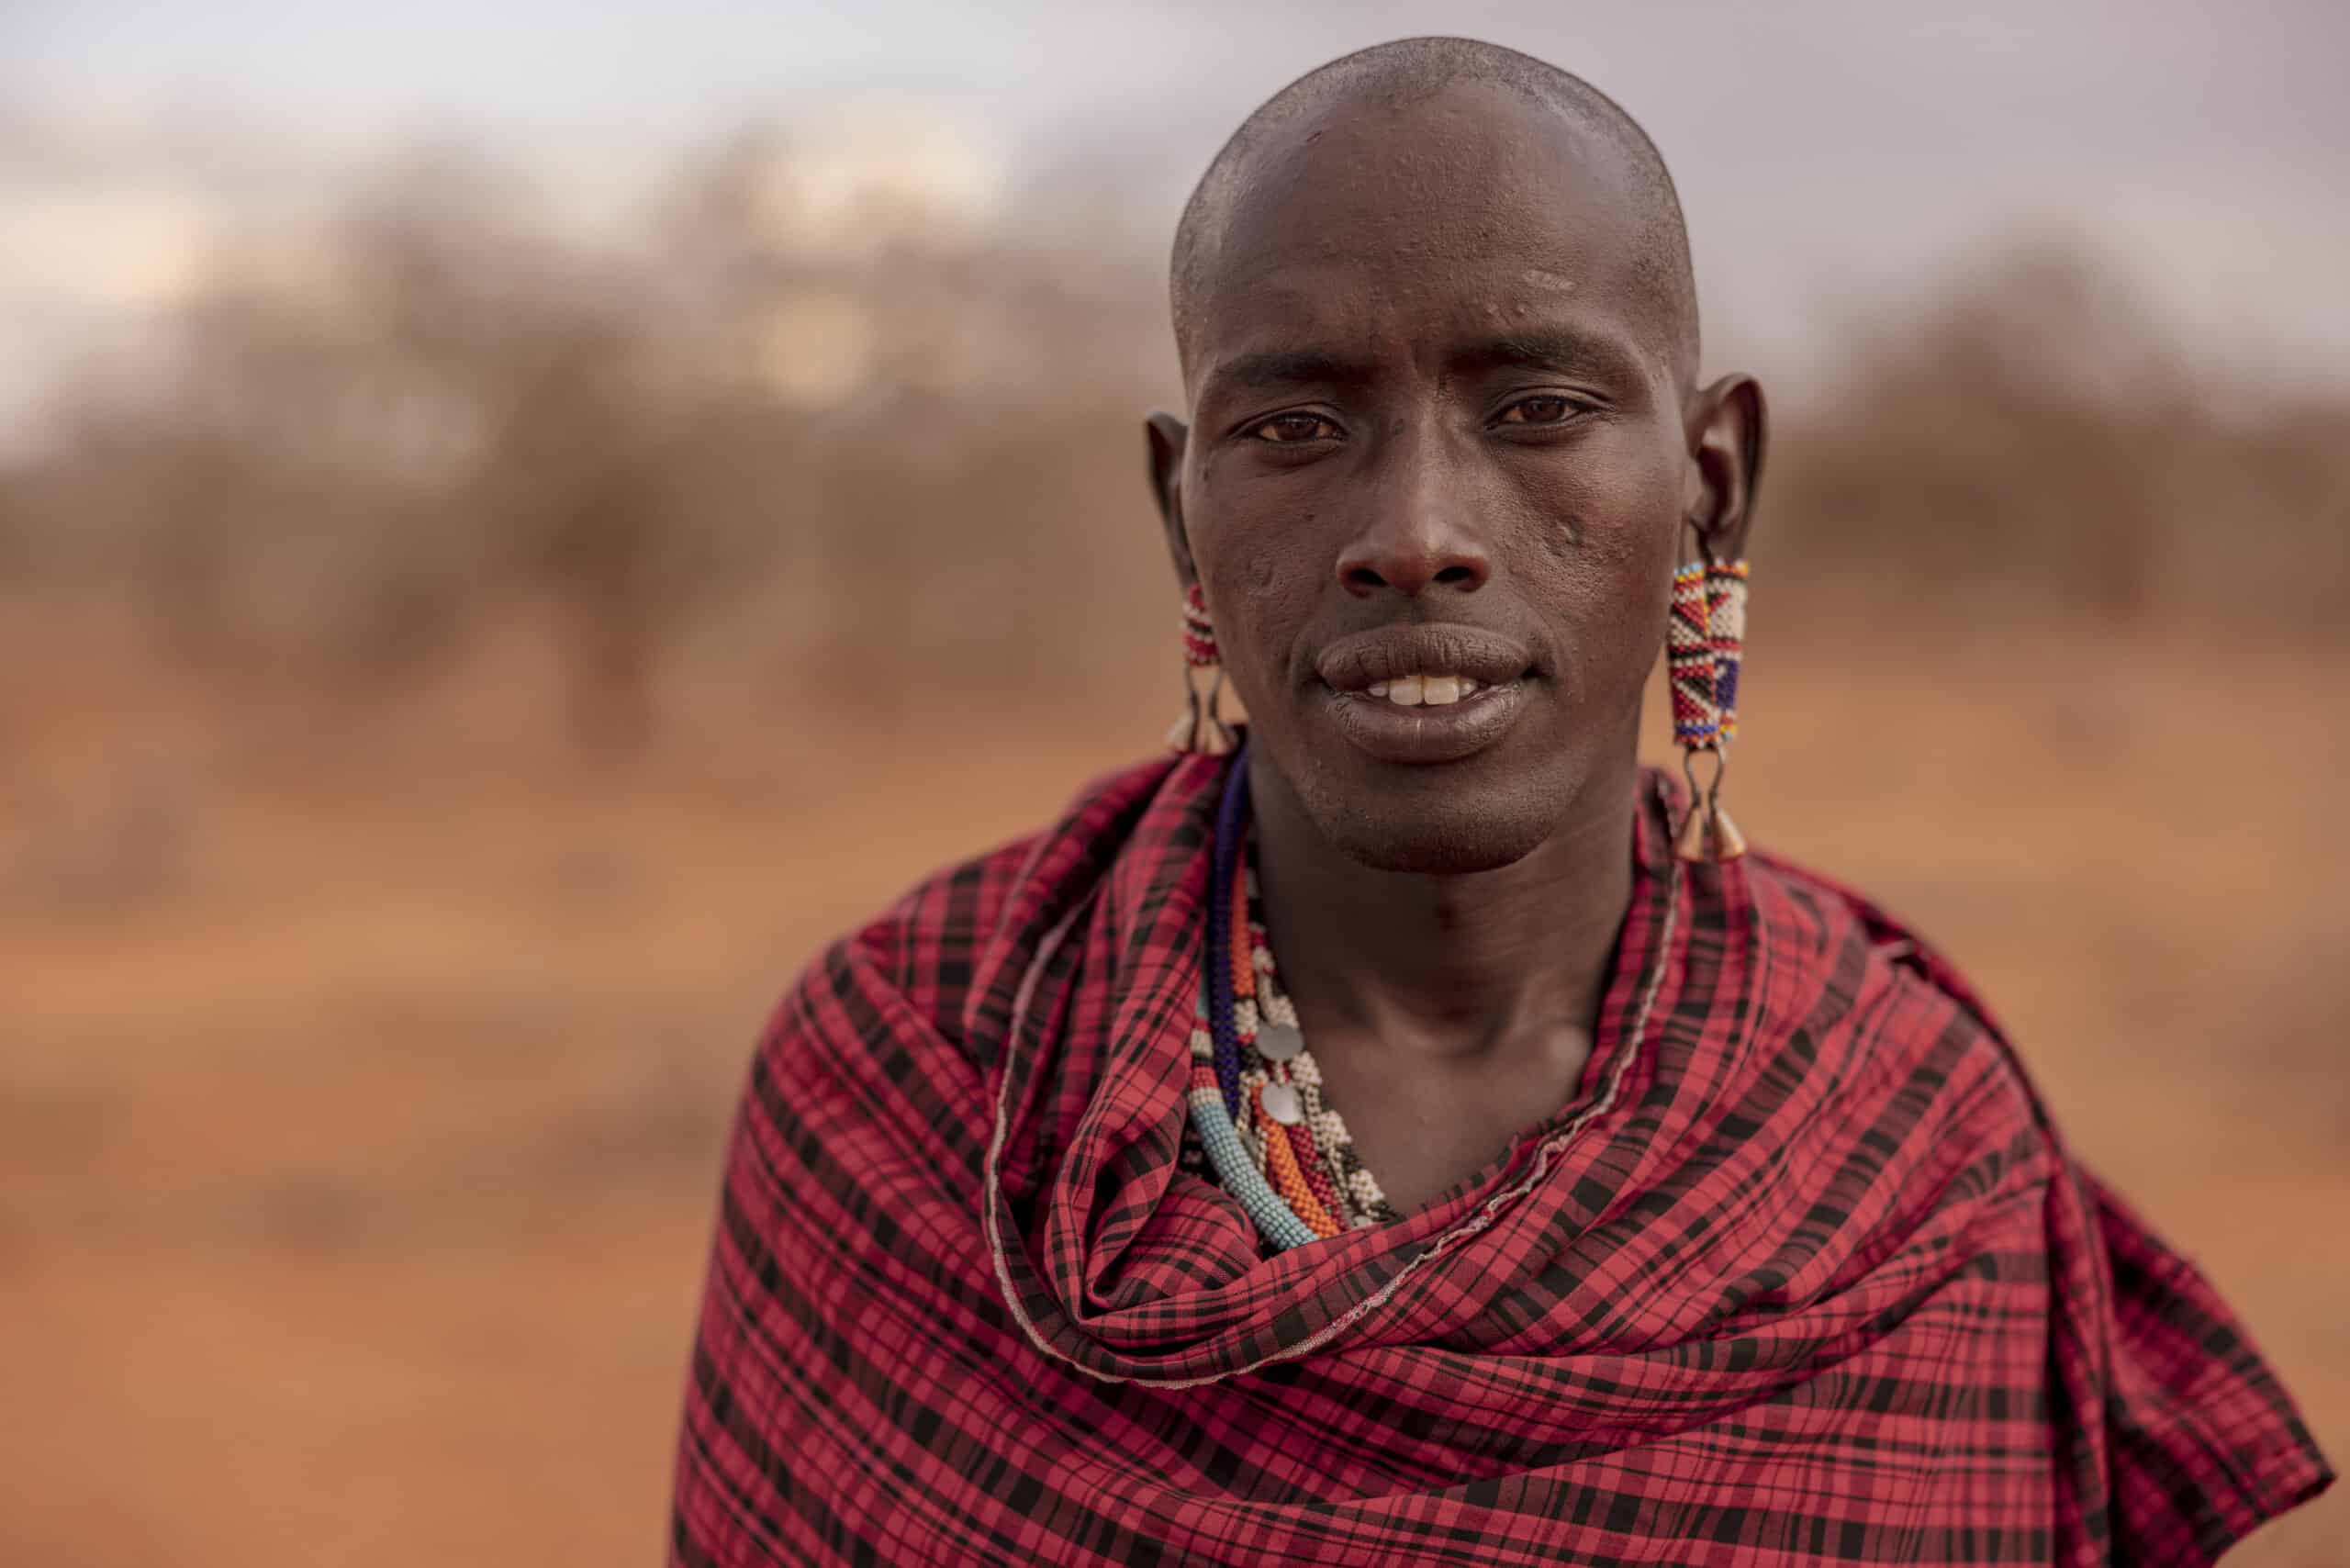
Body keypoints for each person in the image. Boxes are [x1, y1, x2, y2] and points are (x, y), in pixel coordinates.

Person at [667, 37, 2330, 1565]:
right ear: (1184, 516)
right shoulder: (919, 1069)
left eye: (1536, 408)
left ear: (1711, 483)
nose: (1414, 529)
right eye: (1298, 423)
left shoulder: (1907, 1153)